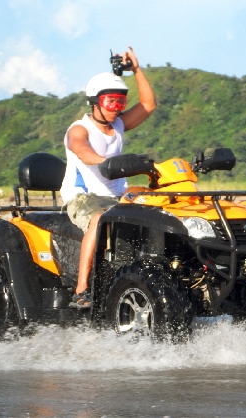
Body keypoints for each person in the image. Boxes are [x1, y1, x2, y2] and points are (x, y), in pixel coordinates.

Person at [60, 46, 156, 308]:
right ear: (95, 102)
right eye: (110, 101)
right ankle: (81, 290)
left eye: (121, 102)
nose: (116, 107)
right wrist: (108, 163)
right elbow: (82, 150)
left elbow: (148, 104)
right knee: (100, 220)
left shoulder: (119, 125)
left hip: (117, 195)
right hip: (83, 197)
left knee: (161, 208)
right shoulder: (79, 128)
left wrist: (136, 69)